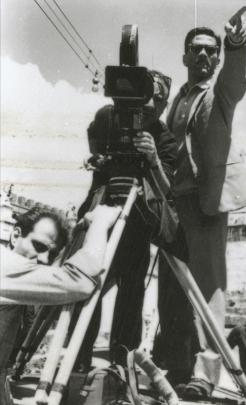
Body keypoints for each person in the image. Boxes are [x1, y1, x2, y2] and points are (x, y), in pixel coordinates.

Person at [159, 9, 246, 398]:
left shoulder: (220, 93)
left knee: (209, 289)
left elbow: (234, 77)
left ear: (216, 59)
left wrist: (235, 44)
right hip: (175, 202)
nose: (202, 57)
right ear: (184, 57)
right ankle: (176, 362)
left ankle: (205, 372)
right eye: (195, 50)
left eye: (210, 52)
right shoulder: (177, 99)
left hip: (207, 202)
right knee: (172, 290)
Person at [75, 69, 177, 369]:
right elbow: (94, 146)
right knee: (86, 284)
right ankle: (78, 360)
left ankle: (122, 363)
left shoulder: (164, 139)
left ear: (162, 105)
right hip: (102, 214)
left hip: (137, 223)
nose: (145, 106)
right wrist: (99, 160)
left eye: (155, 100)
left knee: (131, 294)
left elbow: (168, 189)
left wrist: (153, 159)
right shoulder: (108, 118)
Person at [0, 204, 121, 402]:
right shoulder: (5, 265)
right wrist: (100, 222)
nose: (44, 259)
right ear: (15, 236)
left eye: (52, 254)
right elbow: (78, 282)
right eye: (38, 246)